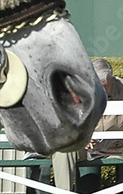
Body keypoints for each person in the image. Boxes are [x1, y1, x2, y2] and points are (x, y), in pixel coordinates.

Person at [52, 58, 123, 192]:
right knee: (63, 150)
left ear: (111, 78)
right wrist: (81, 137)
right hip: (87, 148)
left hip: (116, 148)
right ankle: (62, 191)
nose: (99, 89)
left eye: (103, 84)